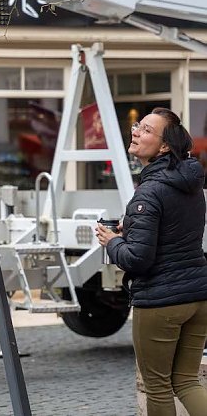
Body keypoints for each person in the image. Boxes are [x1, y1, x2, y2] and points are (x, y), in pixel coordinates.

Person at [97, 107, 207, 416]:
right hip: (198, 295)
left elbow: (138, 260)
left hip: (161, 301)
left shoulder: (149, 192)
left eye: (146, 130)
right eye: (137, 125)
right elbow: (174, 232)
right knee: (186, 381)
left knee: (157, 385)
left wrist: (113, 241)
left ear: (163, 147)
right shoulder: (190, 184)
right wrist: (130, 229)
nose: (135, 132)